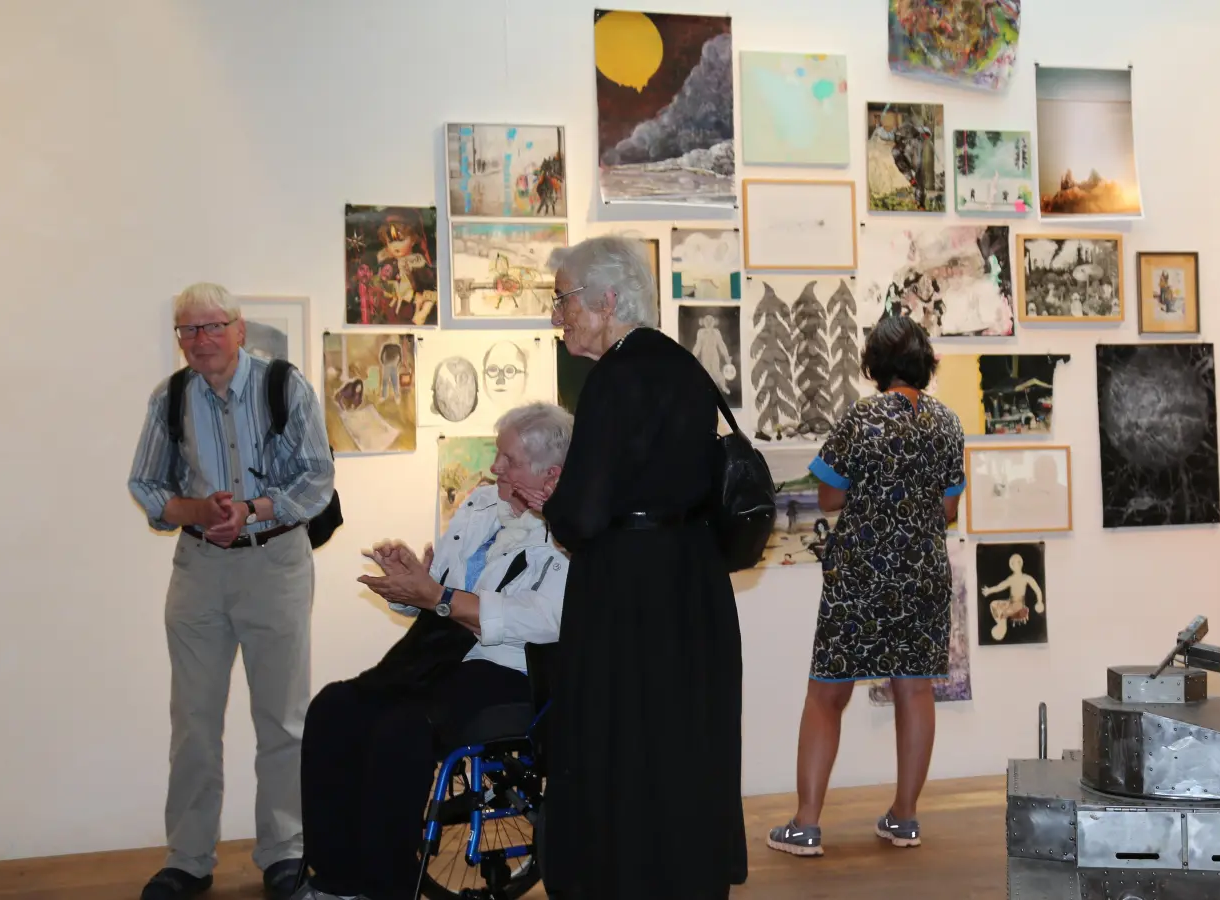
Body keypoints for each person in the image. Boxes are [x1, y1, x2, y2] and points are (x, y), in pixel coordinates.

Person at [526, 235, 746, 899]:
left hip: (629, 590)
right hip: (692, 581)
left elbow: (583, 513)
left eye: (564, 299)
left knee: (622, 743)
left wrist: (551, 506)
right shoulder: (683, 366)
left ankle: (622, 876)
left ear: (608, 299)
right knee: (684, 740)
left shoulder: (613, 378)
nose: (558, 313)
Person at [292, 402, 572, 900]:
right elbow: (440, 594)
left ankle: (384, 888)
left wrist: (439, 598)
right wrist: (412, 585)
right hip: (443, 650)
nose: (495, 468)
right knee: (334, 708)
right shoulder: (481, 504)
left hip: (510, 666)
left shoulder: (573, 534)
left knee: (400, 728)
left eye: (507, 460)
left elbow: (546, 619)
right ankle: (335, 880)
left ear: (549, 473)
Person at [126, 283, 335, 900]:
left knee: (284, 719)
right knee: (192, 722)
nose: (200, 340)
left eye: (212, 326)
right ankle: (187, 860)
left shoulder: (284, 387)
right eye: (187, 331)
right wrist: (195, 507)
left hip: (276, 564)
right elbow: (145, 484)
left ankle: (285, 852)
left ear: (240, 329)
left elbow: (317, 477)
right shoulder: (169, 399)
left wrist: (253, 507)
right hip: (199, 569)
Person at [767, 316, 966, 857]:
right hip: (924, 571)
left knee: (827, 694)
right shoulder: (947, 424)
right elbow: (948, 508)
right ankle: (904, 818)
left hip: (862, 573)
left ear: (874, 365)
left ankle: (806, 825)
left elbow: (828, 497)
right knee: (915, 689)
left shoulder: (863, 416)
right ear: (926, 363)